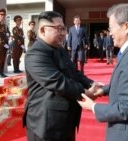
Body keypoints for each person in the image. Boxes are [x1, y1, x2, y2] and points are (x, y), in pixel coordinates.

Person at [78, 3, 128, 141]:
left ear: (126, 27)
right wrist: (104, 90)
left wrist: (94, 107)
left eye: (111, 27)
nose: (110, 33)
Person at [23, 11, 100, 141]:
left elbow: (74, 72)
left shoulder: (59, 49)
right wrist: (85, 92)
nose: (64, 33)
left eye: (64, 28)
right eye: (59, 29)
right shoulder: (35, 53)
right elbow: (58, 82)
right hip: (46, 124)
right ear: (42, 30)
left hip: (65, 119)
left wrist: (92, 84)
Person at [0, 8, 10, 78]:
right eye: (1, 15)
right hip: (0, 45)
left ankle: (2, 72)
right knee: (0, 59)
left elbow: (8, 32)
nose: (3, 16)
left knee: (3, 59)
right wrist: (4, 44)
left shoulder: (5, 25)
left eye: (4, 15)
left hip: (5, 45)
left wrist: (8, 34)